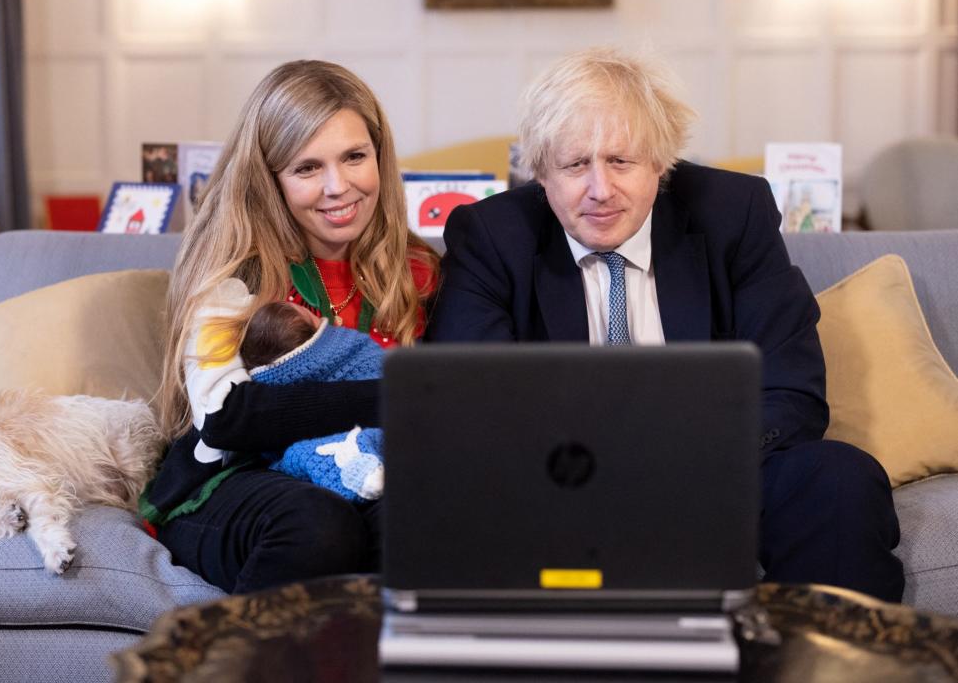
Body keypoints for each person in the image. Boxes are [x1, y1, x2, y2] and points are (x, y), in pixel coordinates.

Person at [425, 47, 905, 603]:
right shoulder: (491, 236)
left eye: (621, 162)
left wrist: (690, 462)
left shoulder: (734, 211)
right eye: (576, 165)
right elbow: (474, 401)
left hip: (715, 469)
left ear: (660, 162)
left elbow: (791, 387)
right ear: (540, 173)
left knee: (837, 478)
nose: (600, 189)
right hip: (559, 483)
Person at [141, 60, 438, 594]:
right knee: (317, 527)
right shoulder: (233, 273)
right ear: (269, 179)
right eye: (306, 168)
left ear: (380, 157)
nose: (338, 186)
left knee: (420, 521)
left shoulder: (416, 268)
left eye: (354, 157)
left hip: (368, 467)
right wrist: (397, 392)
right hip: (231, 481)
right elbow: (228, 416)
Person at [241, 299, 387, 504]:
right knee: (303, 453)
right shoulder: (343, 351)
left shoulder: (357, 357)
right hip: (339, 435)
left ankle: (363, 467)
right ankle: (361, 469)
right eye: (315, 319)